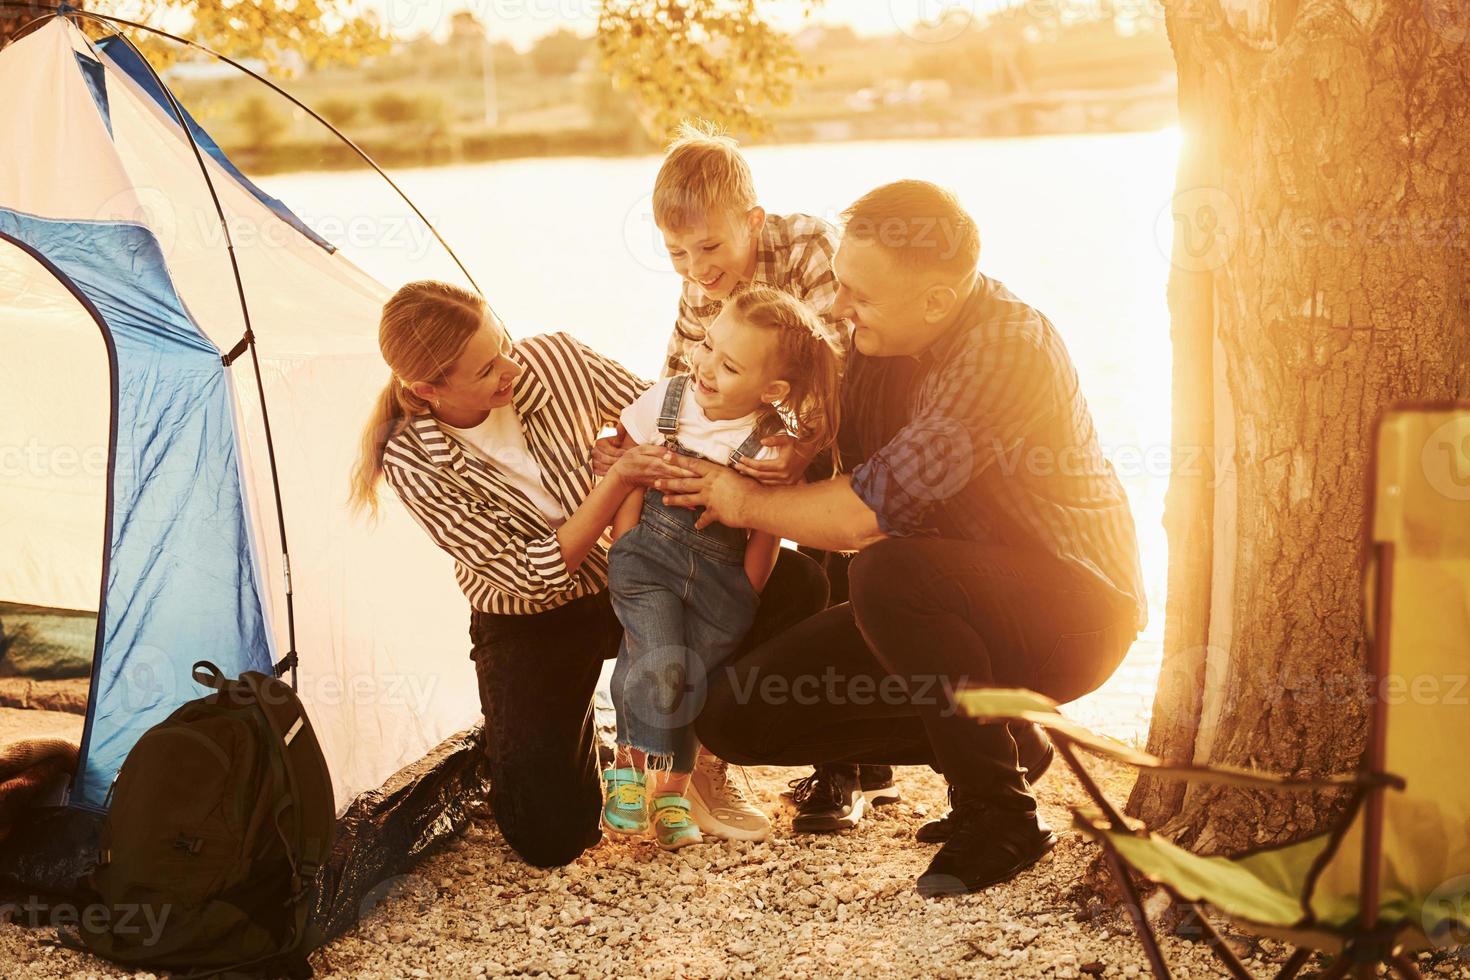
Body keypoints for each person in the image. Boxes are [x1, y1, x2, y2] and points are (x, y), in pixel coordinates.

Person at [655, 181, 1148, 896]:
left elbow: (867, 513)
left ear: (937, 301)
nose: (840, 305)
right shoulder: (879, 342)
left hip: (1075, 613)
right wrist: (784, 457)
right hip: (947, 603)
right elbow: (849, 473)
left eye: (859, 294)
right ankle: (1008, 744)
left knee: (887, 573)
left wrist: (742, 501)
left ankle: (1000, 814)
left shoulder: (1005, 347)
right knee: (736, 717)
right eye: (841, 284)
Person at [348, 281, 828, 868]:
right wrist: (618, 478)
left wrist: (788, 455)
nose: (512, 367)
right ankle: (578, 735)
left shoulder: (557, 359)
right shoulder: (410, 457)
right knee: (550, 837)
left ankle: (696, 759)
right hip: (531, 620)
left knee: (798, 586)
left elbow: (690, 409)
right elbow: (532, 576)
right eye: (486, 369)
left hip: (640, 571)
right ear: (429, 389)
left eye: (501, 342)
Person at [593, 124, 903, 833]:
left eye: (710, 248)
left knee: (835, 560)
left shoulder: (811, 250)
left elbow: (847, 363)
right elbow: (683, 374)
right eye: (676, 253)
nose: (698, 269)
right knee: (728, 544)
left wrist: (806, 443)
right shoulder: (702, 288)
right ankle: (693, 754)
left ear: (752, 223)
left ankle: (841, 772)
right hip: (775, 431)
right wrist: (634, 443)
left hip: (854, 425)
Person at [602, 288, 841, 849]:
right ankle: (629, 774)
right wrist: (626, 542)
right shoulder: (665, 402)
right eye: (708, 345)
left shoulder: (769, 443)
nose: (706, 366)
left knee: (690, 678)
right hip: (650, 560)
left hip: (720, 579)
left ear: (773, 390)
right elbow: (631, 472)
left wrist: (748, 589)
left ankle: (673, 792)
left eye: (729, 365)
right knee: (660, 656)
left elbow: (768, 525)